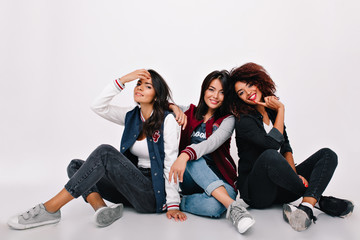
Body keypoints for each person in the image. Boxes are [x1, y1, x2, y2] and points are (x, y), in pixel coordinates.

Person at [8, 69, 187, 230]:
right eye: (138, 84)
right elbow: (98, 106)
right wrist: (123, 80)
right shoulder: (131, 116)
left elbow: (171, 163)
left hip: (152, 193)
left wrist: (172, 204)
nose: (139, 88)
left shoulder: (168, 120)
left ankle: (50, 208)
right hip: (131, 187)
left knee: (105, 152)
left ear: (157, 95)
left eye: (147, 86)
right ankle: (101, 209)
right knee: (75, 165)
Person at [228, 62, 354, 231]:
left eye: (250, 85)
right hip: (257, 193)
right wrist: (281, 109)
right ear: (238, 98)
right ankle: (319, 200)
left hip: (281, 186)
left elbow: (285, 146)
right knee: (270, 155)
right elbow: (271, 145)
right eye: (241, 92)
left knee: (327, 154)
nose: (248, 92)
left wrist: (293, 175)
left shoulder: (271, 112)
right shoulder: (244, 120)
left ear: (259, 82)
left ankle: (306, 207)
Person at [169, 70, 255, 234]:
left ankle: (182, 201)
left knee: (214, 207)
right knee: (195, 157)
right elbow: (160, 103)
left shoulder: (228, 120)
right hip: (190, 177)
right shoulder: (189, 111)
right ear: (204, 90)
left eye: (222, 92)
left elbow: (211, 143)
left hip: (221, 180)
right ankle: (233, 207)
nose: (215, 95)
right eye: (211, 89)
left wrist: (185, 153)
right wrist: (173, 107)